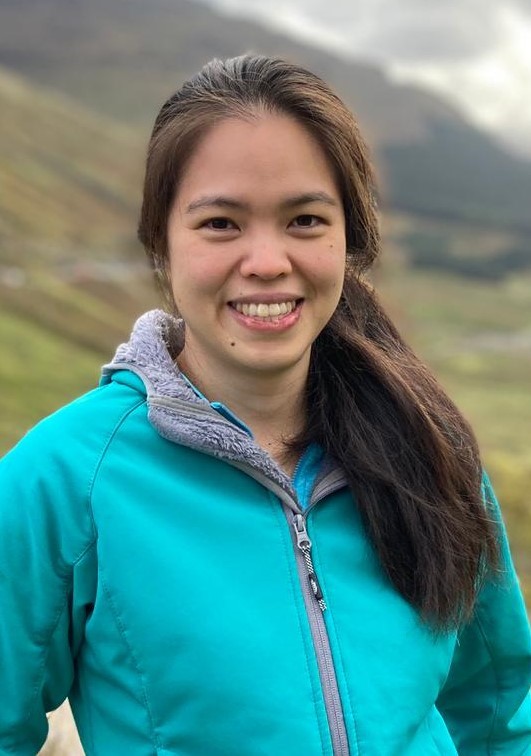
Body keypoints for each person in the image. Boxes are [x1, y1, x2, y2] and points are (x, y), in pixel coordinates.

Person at [1, 54, 530, 756]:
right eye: (220, 223)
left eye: (305, 220)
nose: (266, 261)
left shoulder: (430, 449)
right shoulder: (62, 478)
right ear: (161, 239)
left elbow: (498, 708)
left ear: (349, 239)